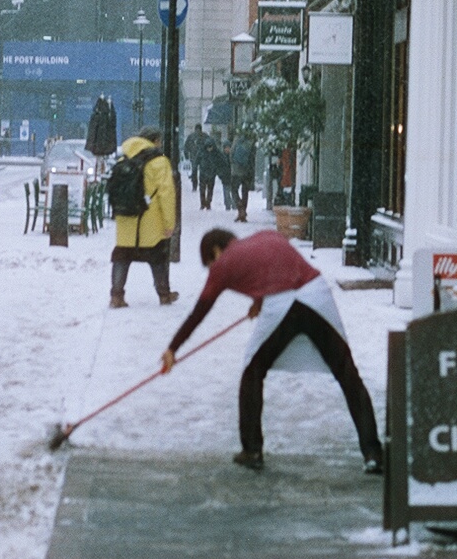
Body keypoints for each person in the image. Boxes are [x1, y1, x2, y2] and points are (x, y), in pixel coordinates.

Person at [161, 228, 384, 475]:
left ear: (215, 250)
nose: (213, 266)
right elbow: (276, 268)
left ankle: (252, 450)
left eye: (210, 260)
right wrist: (259, 298)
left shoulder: (223, 263)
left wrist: (173, 348)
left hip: (281, 305)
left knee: (252, 371)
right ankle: (373, 452)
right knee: (347, 374)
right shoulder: (268, 236)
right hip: (316, 294)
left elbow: (199, 311)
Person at [109, 126, 177, 309]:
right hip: (150, 220)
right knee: (158, 257)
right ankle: (164, 295)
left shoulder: (124, 158)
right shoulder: (159, 162)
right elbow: (166, 194)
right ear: (154, 140)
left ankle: (116, 296)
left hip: (126, 218)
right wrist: (170, 223)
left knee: (122, 257)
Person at [229, 132, 257, 223]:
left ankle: (240, 208)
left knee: (234, 190)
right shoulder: (252, 141)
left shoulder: (237, 139)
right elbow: (253, 158)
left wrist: (233, 164)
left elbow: (231, 154)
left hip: (236, 171)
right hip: (247, 171)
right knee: (245, 192)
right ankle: (243, 212)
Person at [197, 133, 226, 211]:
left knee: (210, 189)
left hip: (211, 173)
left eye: (210, 147)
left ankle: (208, 203)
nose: (209, 149)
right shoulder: (203, 151)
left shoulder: (215, 152)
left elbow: (222, 160)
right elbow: (197, 160)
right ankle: (203, 203)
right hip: (203, 173)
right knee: (203, 189)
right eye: (208, 147)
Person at [183, 123, 207, 193]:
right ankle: (202, 185)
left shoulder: (191, 136)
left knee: (194, 171)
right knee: (202, 172)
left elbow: (186, 147)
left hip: (194, 157)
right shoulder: (204, 136)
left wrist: (187, 156)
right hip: (202, 156)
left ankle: (195, 186)